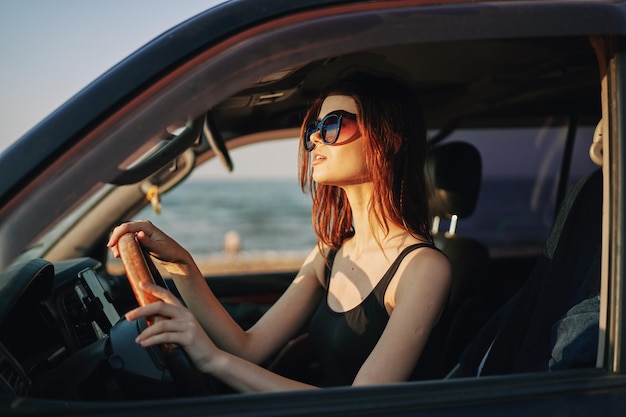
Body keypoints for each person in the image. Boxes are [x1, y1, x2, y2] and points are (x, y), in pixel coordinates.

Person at [107, 71, 451, 393]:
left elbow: (359, 406)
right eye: (314, 128)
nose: (315, 138)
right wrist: (183, 265)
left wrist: (211, 358)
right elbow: (249, 348)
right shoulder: (330, 252)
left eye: (333, 125)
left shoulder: (422, 269)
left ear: (388, 142)